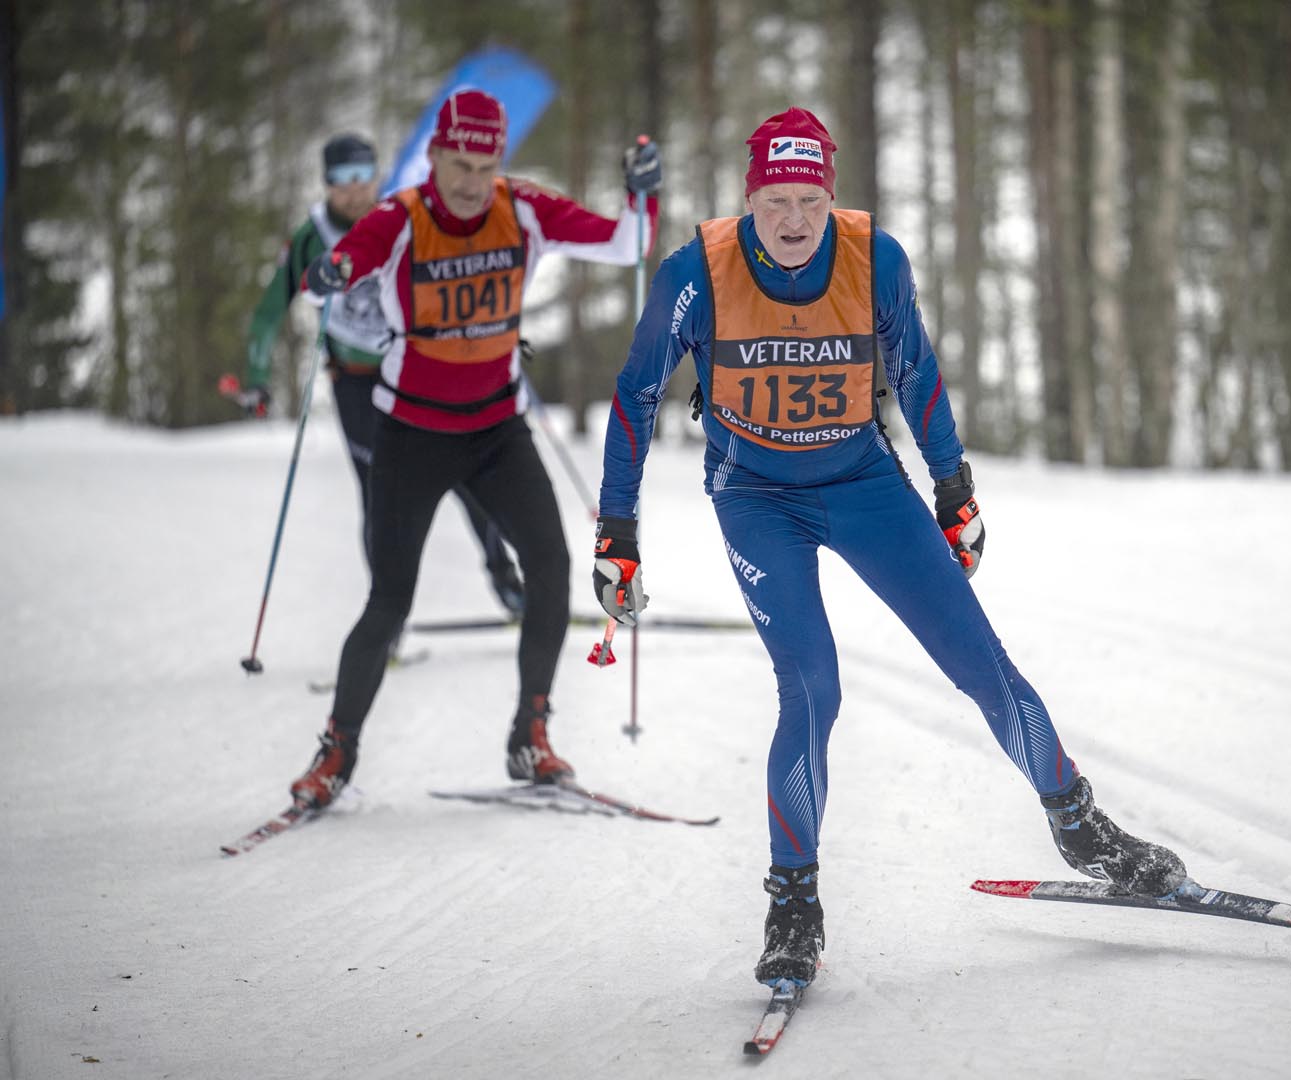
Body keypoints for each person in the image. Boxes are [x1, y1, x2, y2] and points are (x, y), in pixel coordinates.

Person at [591, 107, 1187, 992]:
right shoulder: (698, 273)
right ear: (749, 195)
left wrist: (953, 490)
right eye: (775, 199)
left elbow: (917, 376)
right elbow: (638, 393)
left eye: (810, 199)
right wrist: (618, 532)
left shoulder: (877, 261)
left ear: (832, 196)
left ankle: (1080, 825)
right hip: (755, 499)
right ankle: (793, 901)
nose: (793, 220)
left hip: (865, 484)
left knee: (980, 660)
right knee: (811, 684)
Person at [287, 89, 662, 809]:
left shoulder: (519, 207)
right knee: (390, 598)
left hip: (496, 431)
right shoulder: (400, 218)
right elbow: (333, 270)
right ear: (434, 157)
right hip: (413, 435)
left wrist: (641, 195)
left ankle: (531, 734)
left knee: (551, 566)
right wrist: (328, 274)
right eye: (459, 163)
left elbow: (628, 245)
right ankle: (336, 751)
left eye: (485, 164)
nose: (470, 180)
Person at [242, 132, 528, 619]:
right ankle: (387, 617)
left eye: (362, 176)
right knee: (381, 499)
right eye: (341, 179)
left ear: (376, 175)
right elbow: (270, 311)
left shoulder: (403, 218)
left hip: (422, 373)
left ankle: (508, 586)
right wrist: (256, 373)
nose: (354, 190)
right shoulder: (311, 237)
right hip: (356, 382)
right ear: (326, 184)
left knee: (468, 480)